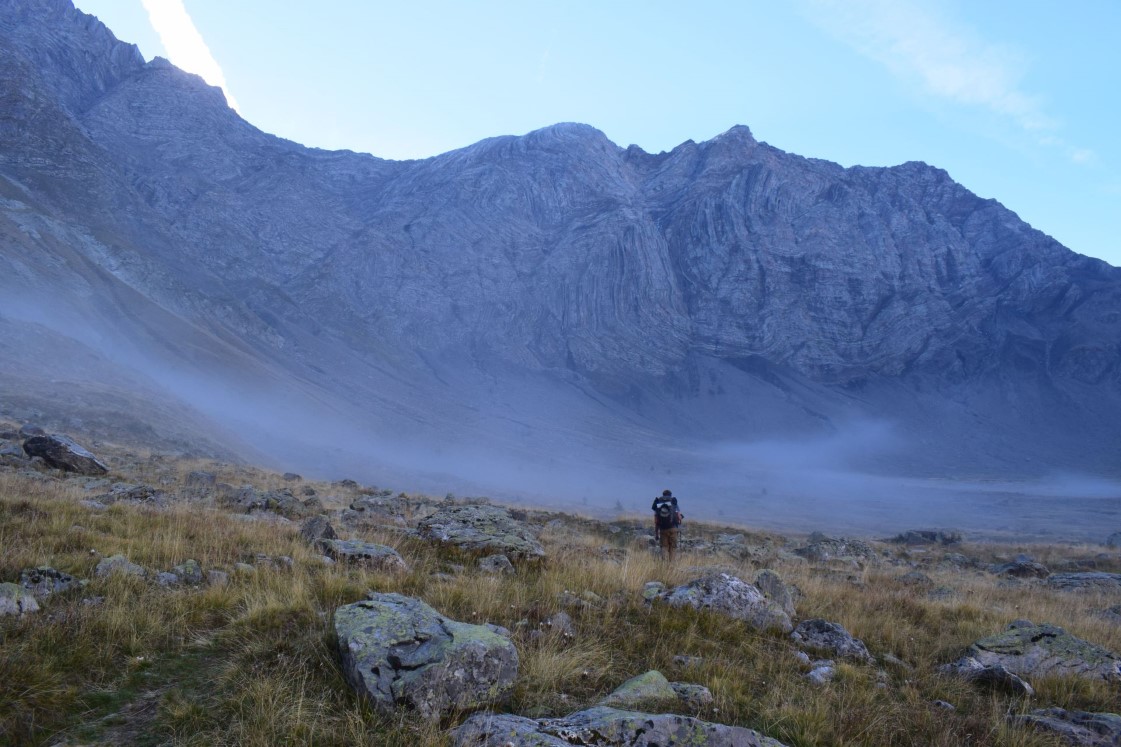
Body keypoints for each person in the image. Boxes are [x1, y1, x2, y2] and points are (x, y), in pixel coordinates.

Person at [652, 489, 683, 561]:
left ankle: (664, 565)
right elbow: (679, 517)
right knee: (673, 547)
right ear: (670, 495)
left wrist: (656, 534)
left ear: (663, 495)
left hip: (663, 529)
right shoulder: (673, 502)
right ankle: (671, 565)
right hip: (673, 528)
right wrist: (681, 518)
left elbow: (656, 521)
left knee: (664, 547)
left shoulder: (659, 504)